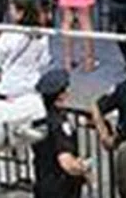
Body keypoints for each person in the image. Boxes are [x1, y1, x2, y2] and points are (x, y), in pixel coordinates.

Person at [32, 69, 90, 198]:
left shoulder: (39, 117)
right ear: (61, 95)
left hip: (43, 179)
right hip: (61, 187)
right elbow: (66, 163)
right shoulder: (60, 124)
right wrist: (82, 168)